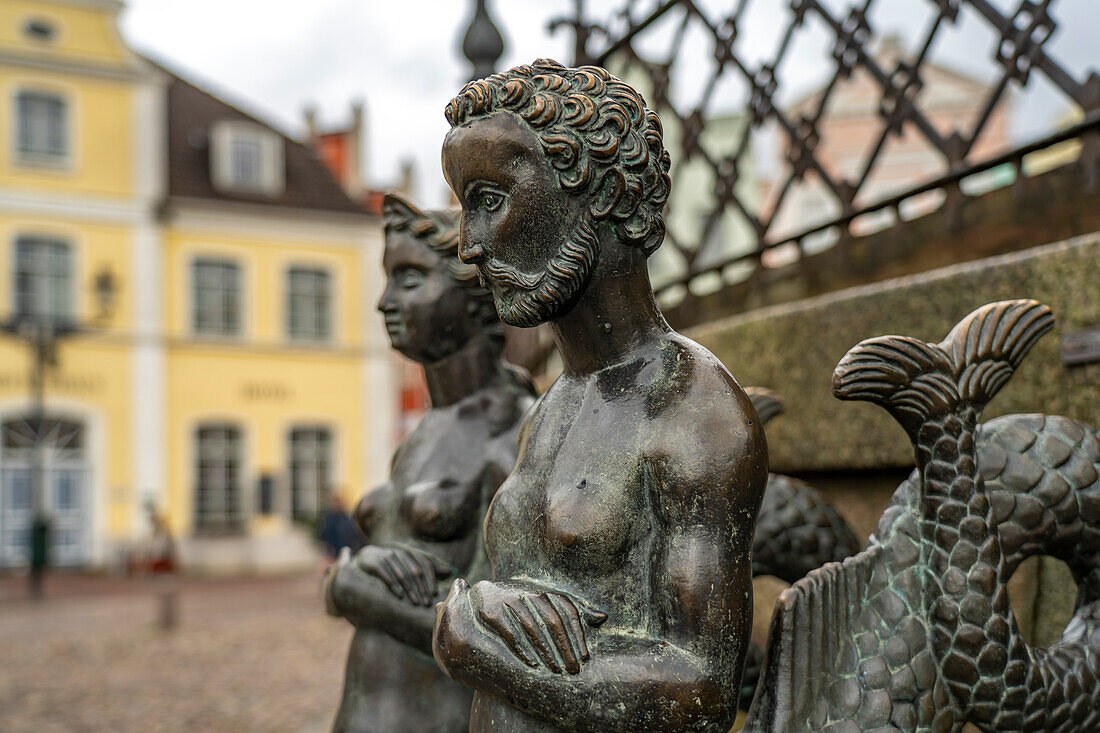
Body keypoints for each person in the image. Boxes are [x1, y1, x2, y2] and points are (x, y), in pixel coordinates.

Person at [432, 60, 768, 732]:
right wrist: (480, 603)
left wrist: (466, 638)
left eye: (490, 199)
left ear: (598, 191)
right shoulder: (552, 404)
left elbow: (699, 687)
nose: (467, 246)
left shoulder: (696, 409)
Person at [323, 194, 534, 733]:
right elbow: (390, 565)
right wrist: (359, 569)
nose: (384, 303)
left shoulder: (517, 432)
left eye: (410, 280)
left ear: (475, 294)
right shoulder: (421, 436)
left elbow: (503, 639)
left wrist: (351, 588)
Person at [318, 494, 364, 561]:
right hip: (335, 552)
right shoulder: (330, 519)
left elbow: (352, 534)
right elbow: (326, 536)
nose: (337, 504)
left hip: (345, 550)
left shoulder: (346, 517)